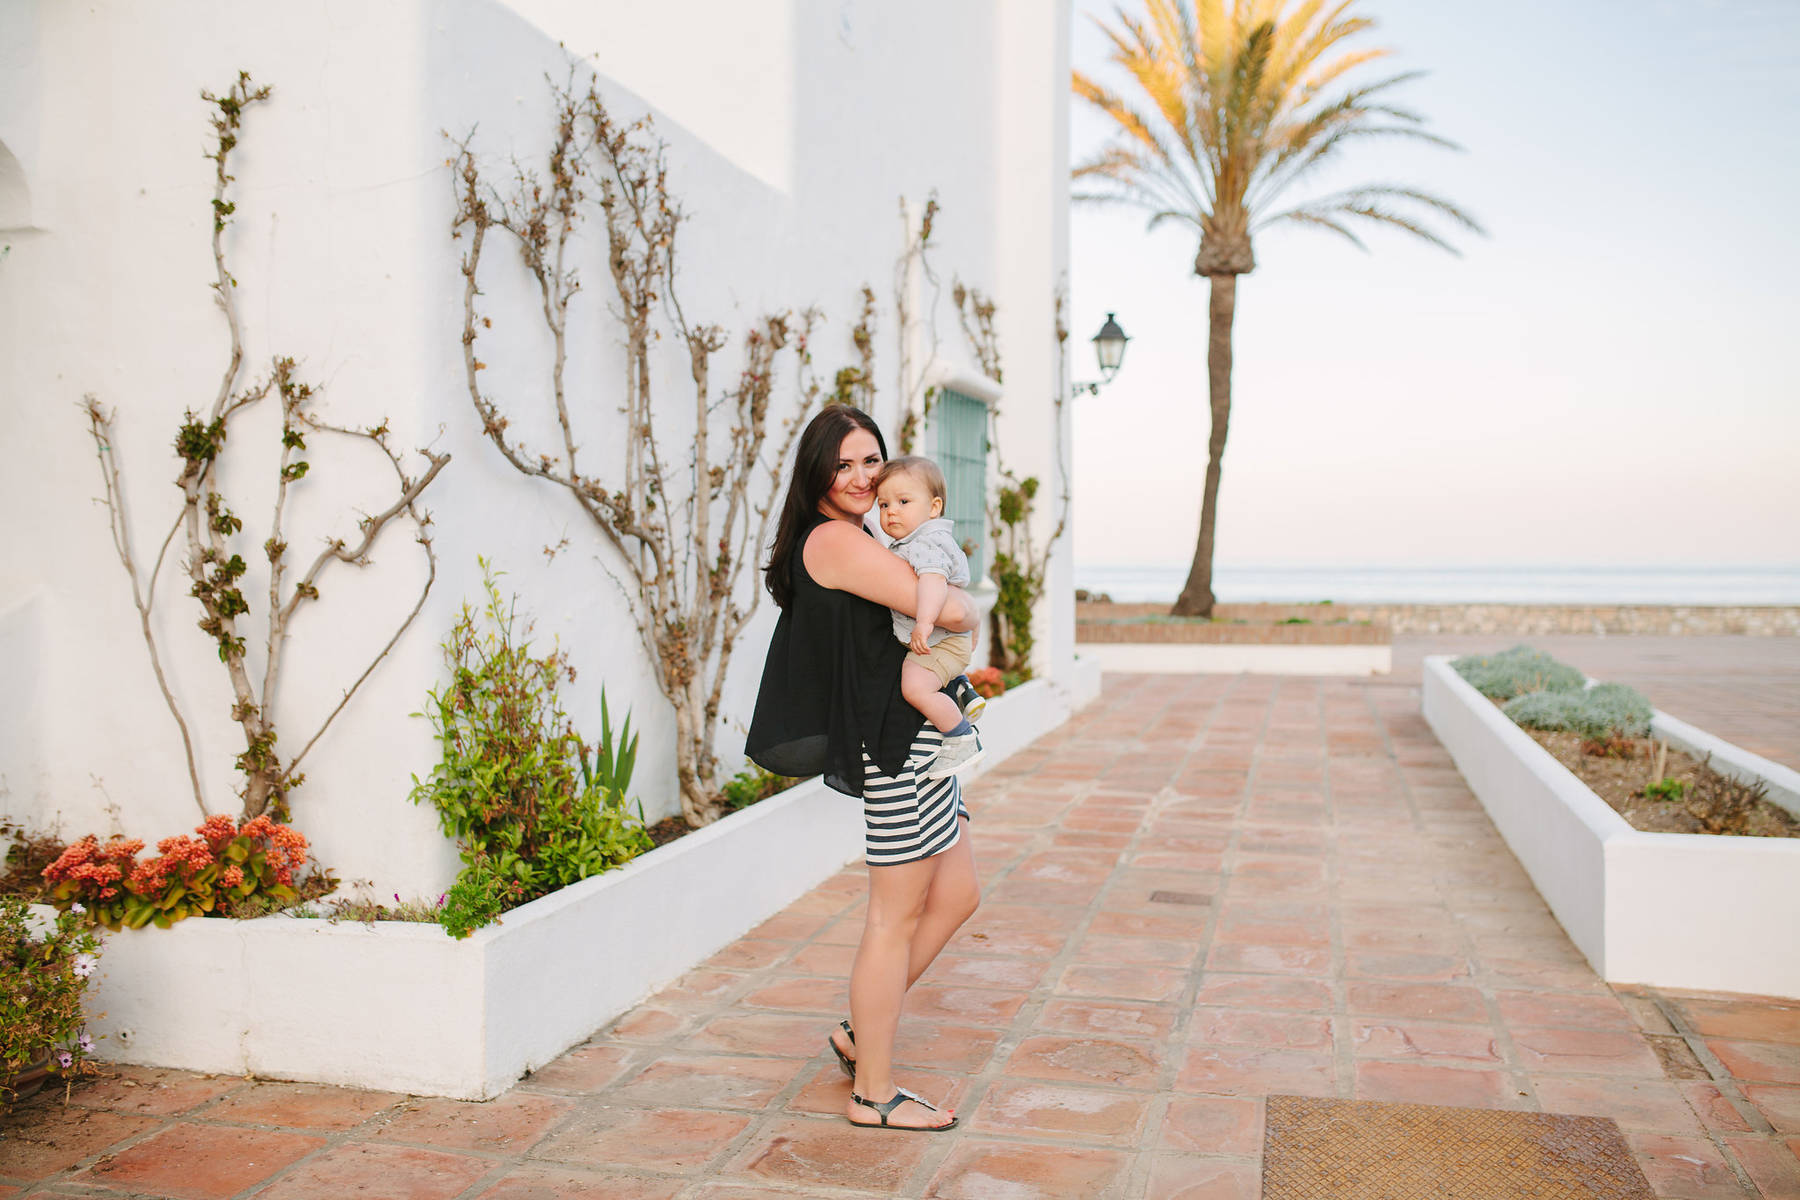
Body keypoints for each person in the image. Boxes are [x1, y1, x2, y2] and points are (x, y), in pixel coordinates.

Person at [746, 405, 983, 1133]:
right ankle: (873, 1092)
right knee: (893, 916)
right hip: (893, 745)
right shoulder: (837, 543)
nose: (861, 476)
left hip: (912, 734)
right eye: (843, 463)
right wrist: (963, 603)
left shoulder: (861, 534)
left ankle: (859, 1031)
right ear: (818, 470)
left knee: (959, 894)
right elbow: (947, 612)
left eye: (871, 460)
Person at [872, 455, 983, 779]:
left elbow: (933, 582)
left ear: (934, 507)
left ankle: (960, 737)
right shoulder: (918, 540)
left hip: (941, 641)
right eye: (883, 504)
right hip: (949, 640)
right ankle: (962, 688)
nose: (891, 511)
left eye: (903, 501)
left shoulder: (925, 544)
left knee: (915, 688)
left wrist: (923, 623)